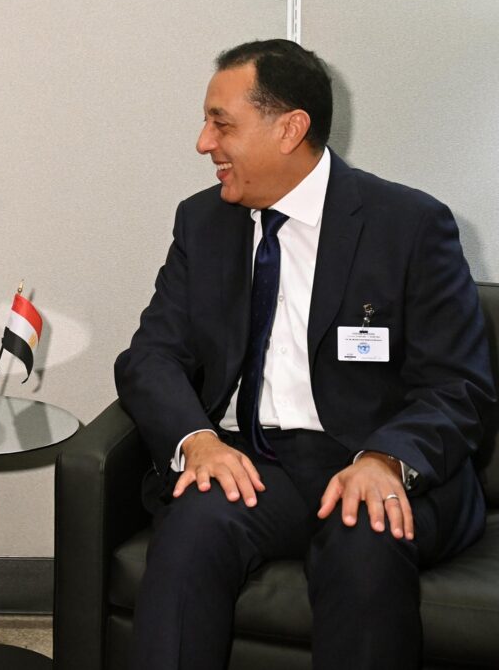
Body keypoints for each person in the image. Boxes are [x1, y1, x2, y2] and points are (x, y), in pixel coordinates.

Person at [115, 39, 493, 669]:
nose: (204, 144)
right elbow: (150, 357)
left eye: (221, 124)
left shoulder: (409, 225)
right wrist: (198, 441)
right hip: (260, 465)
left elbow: (459, 387)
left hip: (377, 461)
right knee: (194, 523)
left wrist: (387, 460)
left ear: (289, 129)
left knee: (364, 538)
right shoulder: (203, 223)